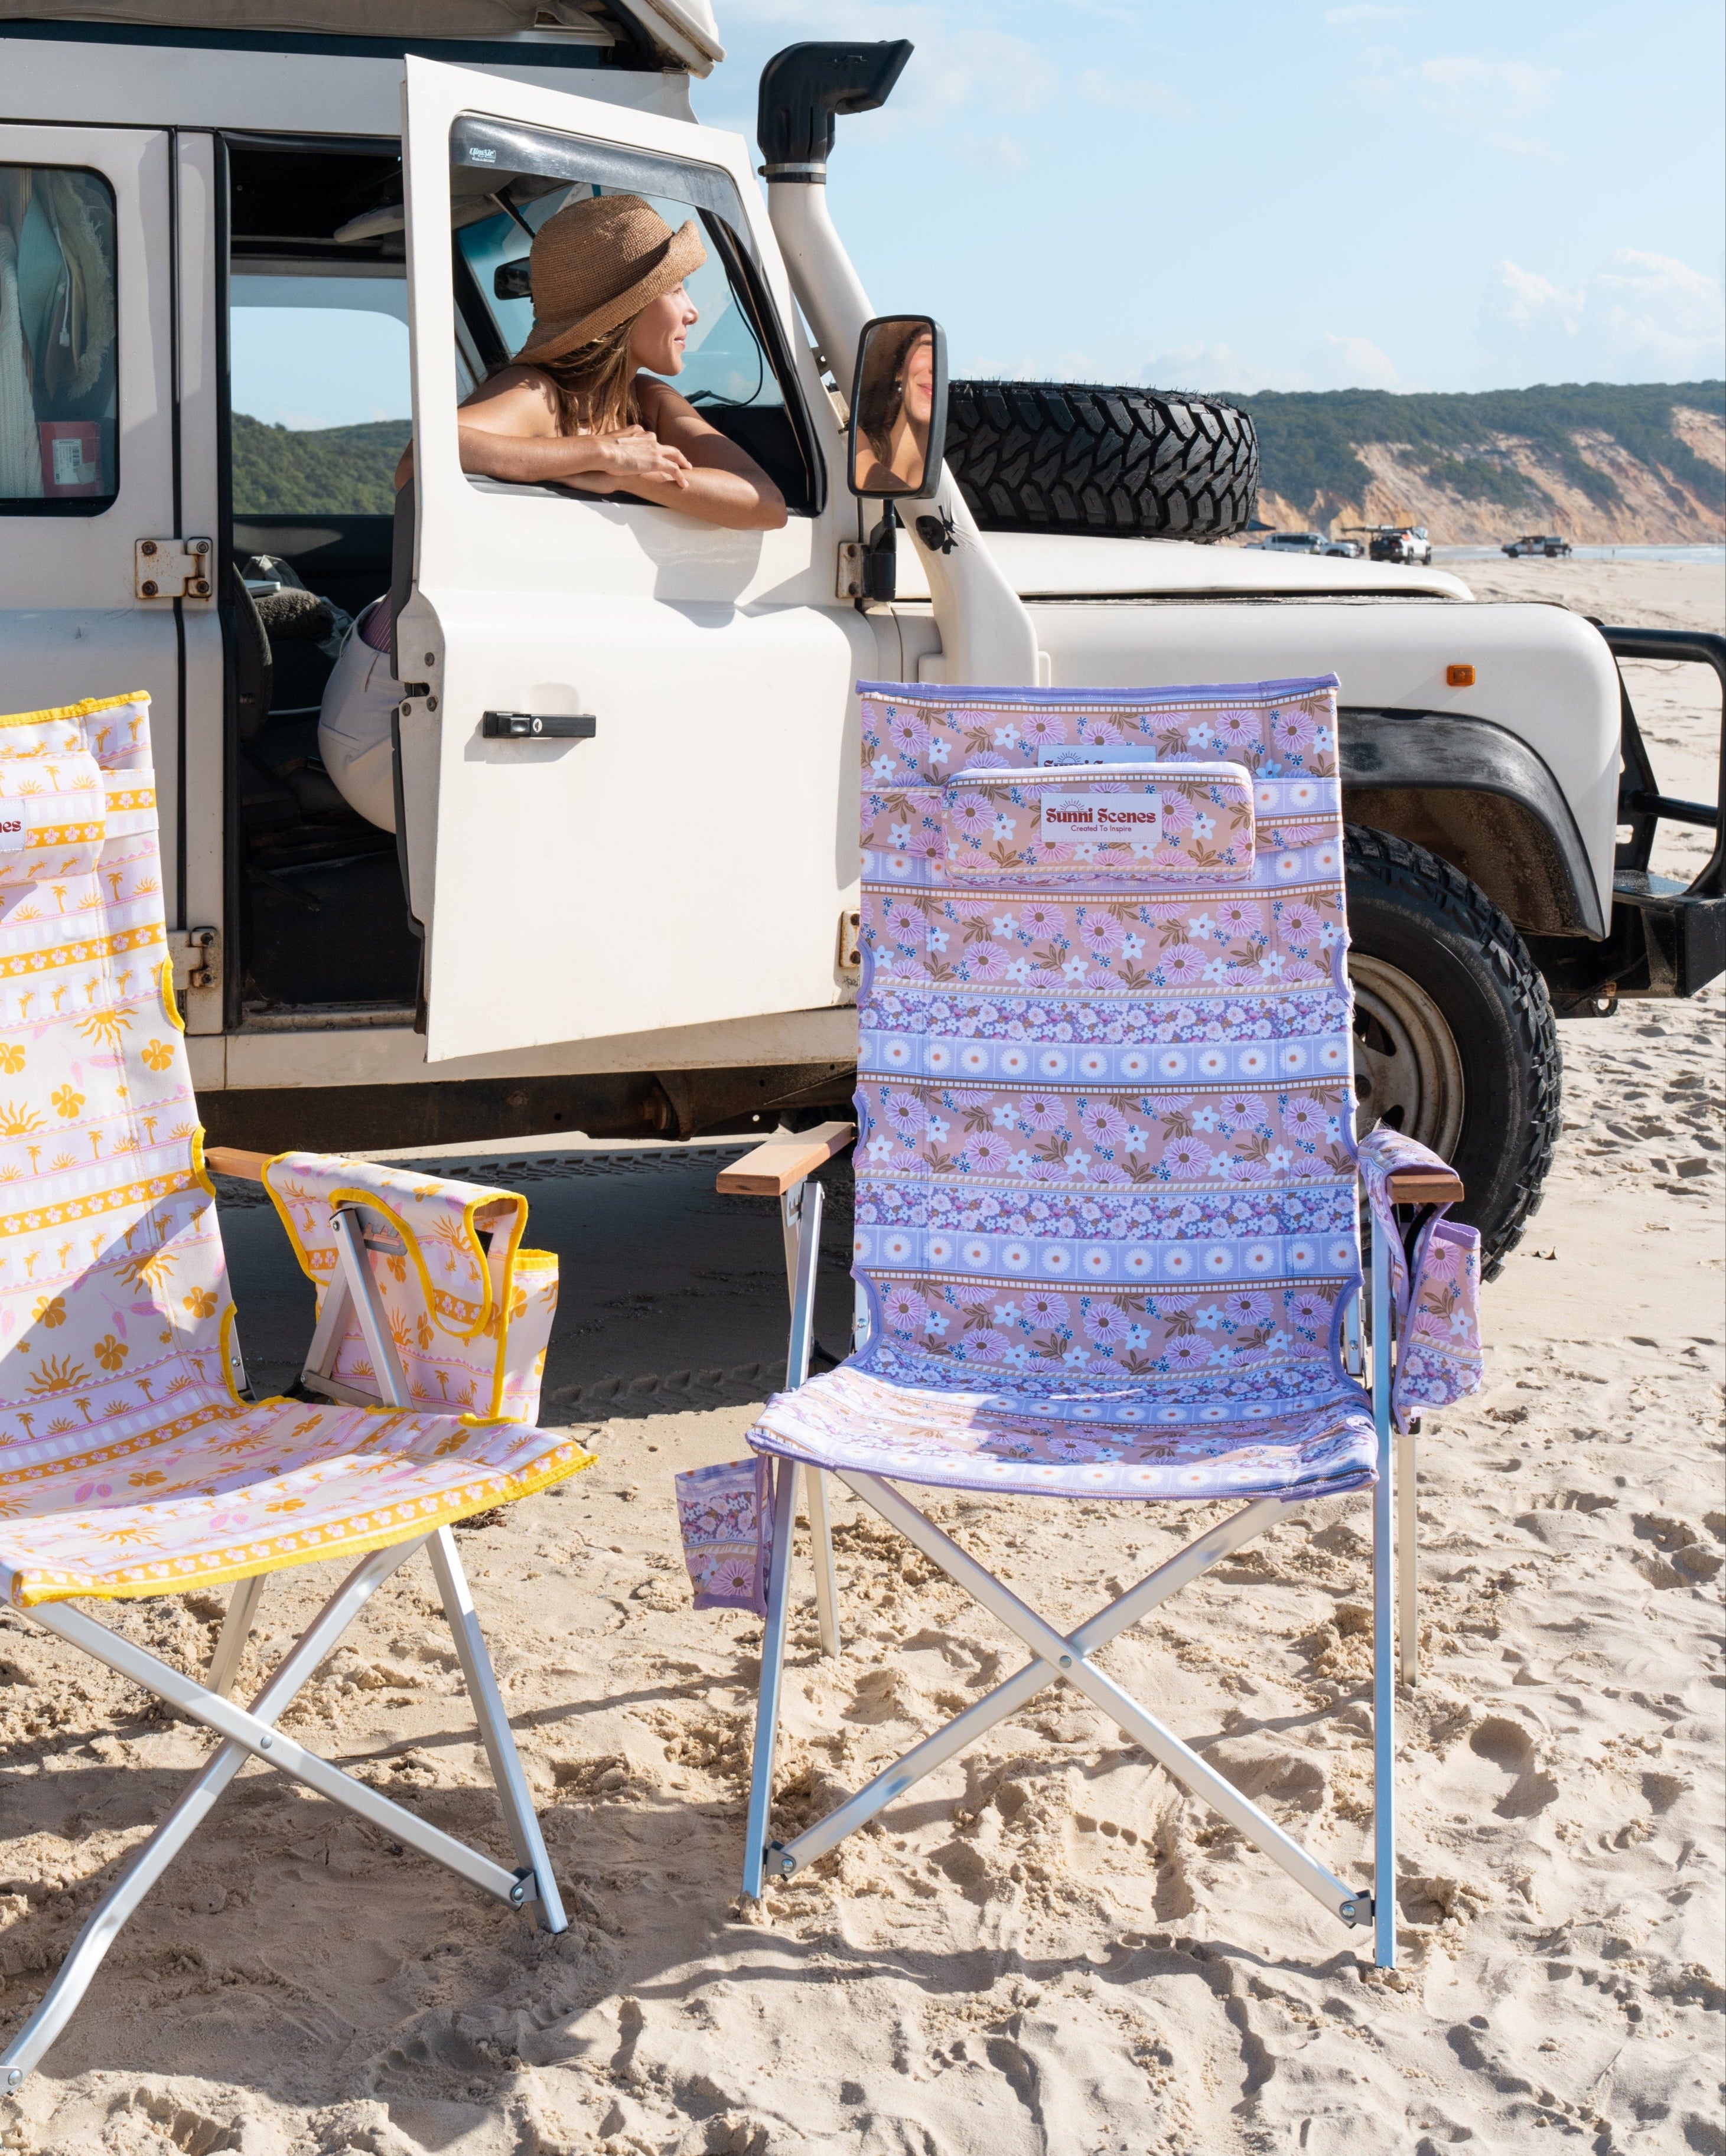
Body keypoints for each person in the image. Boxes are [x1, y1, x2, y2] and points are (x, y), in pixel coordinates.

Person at [320, 193, 787, 831]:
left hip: (450, 695)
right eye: (676, 289)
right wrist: (595, 455)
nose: (692, 310)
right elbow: (421, 459)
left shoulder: (648, 398)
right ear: (625, 307)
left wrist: (629, 478)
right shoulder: (537, 391)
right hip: (389, 721)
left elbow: (763, 503)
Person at [853, 323, 934, 494]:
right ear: (899, 369)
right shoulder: (841, 443)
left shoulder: (854, 447)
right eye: (929, 344)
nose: (938, 368)